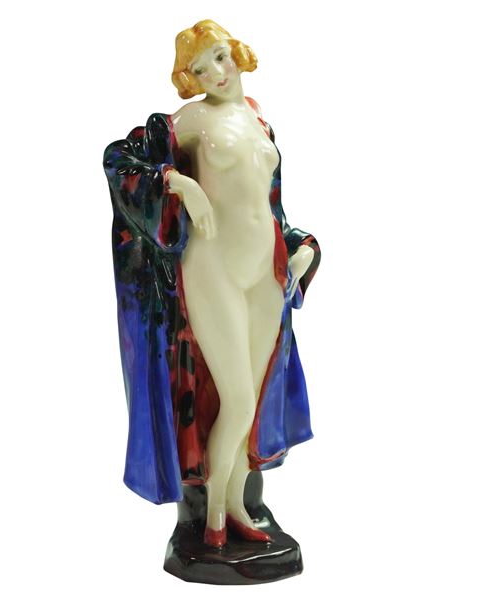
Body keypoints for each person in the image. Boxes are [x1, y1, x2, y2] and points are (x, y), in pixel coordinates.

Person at [102, 19, 321, 550]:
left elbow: (269, 206)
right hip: (213, 267)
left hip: (265, 271)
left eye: (220, 57)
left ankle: (237, 505)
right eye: (200, 69)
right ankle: (213, 516)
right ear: (189, 79)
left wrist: (302, 248)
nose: (216, 73)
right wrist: (178, 182)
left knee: (254, 397)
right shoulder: (189, 121)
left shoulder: (260, 121)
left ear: (236, 53)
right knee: (237, 398)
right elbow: (120, 160)